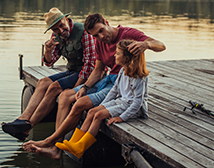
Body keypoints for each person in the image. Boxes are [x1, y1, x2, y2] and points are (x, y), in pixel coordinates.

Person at [23, 13, 165, 159]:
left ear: (107, 22)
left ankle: (50, 142)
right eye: (95, 35)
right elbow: (98, 70)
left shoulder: (128, 34)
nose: (100, 37)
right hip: (106, 79)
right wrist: (84, 87)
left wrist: (146, 44)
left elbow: (161, 45)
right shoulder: (99, 42)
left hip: (120, 82)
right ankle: (56, 148)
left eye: (101, 31)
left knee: (80, 104)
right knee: (65, 96)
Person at [1, 7, 97, 141]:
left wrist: (76, 88)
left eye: (61, 26)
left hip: (86, 74)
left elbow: (90, 66)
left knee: (54, 87)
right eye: (56, 29)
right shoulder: (56, 36)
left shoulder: (84, 32)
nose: (60, 30)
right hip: (71, 70)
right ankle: (22, 119)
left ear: (66, 19)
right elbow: (49, 62)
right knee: (43, 82)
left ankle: (28, 127)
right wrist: (48, 50)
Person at [56, 39, 149, 158]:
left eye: (117, 53)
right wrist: (102, 105)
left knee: (98, 115)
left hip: (132, 107)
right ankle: (74, 143)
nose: (115, 55)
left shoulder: (139, 77)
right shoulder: (122, 71)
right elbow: (114, 90)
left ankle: (81, 147)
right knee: (92, 112)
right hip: (121, 101)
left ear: (126, 58)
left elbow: (137, 102)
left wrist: (122, 117)